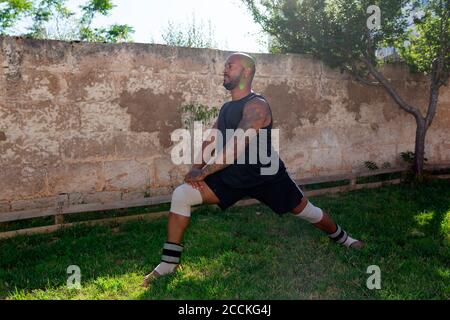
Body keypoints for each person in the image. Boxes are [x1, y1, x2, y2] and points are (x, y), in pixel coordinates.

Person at [142, 52, 364, 287]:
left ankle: (344, 239)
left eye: (230, 66)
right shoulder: (227, 108)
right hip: (232, 175)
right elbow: (213, 138)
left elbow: (237, 144)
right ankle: (168, 264)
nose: (224, 69)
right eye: (225, 65)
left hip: (266, 175)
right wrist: (195, 168)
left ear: (246, 72)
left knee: (306, 210)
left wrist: (204, 172)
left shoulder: (257, 106)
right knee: (182, 195)